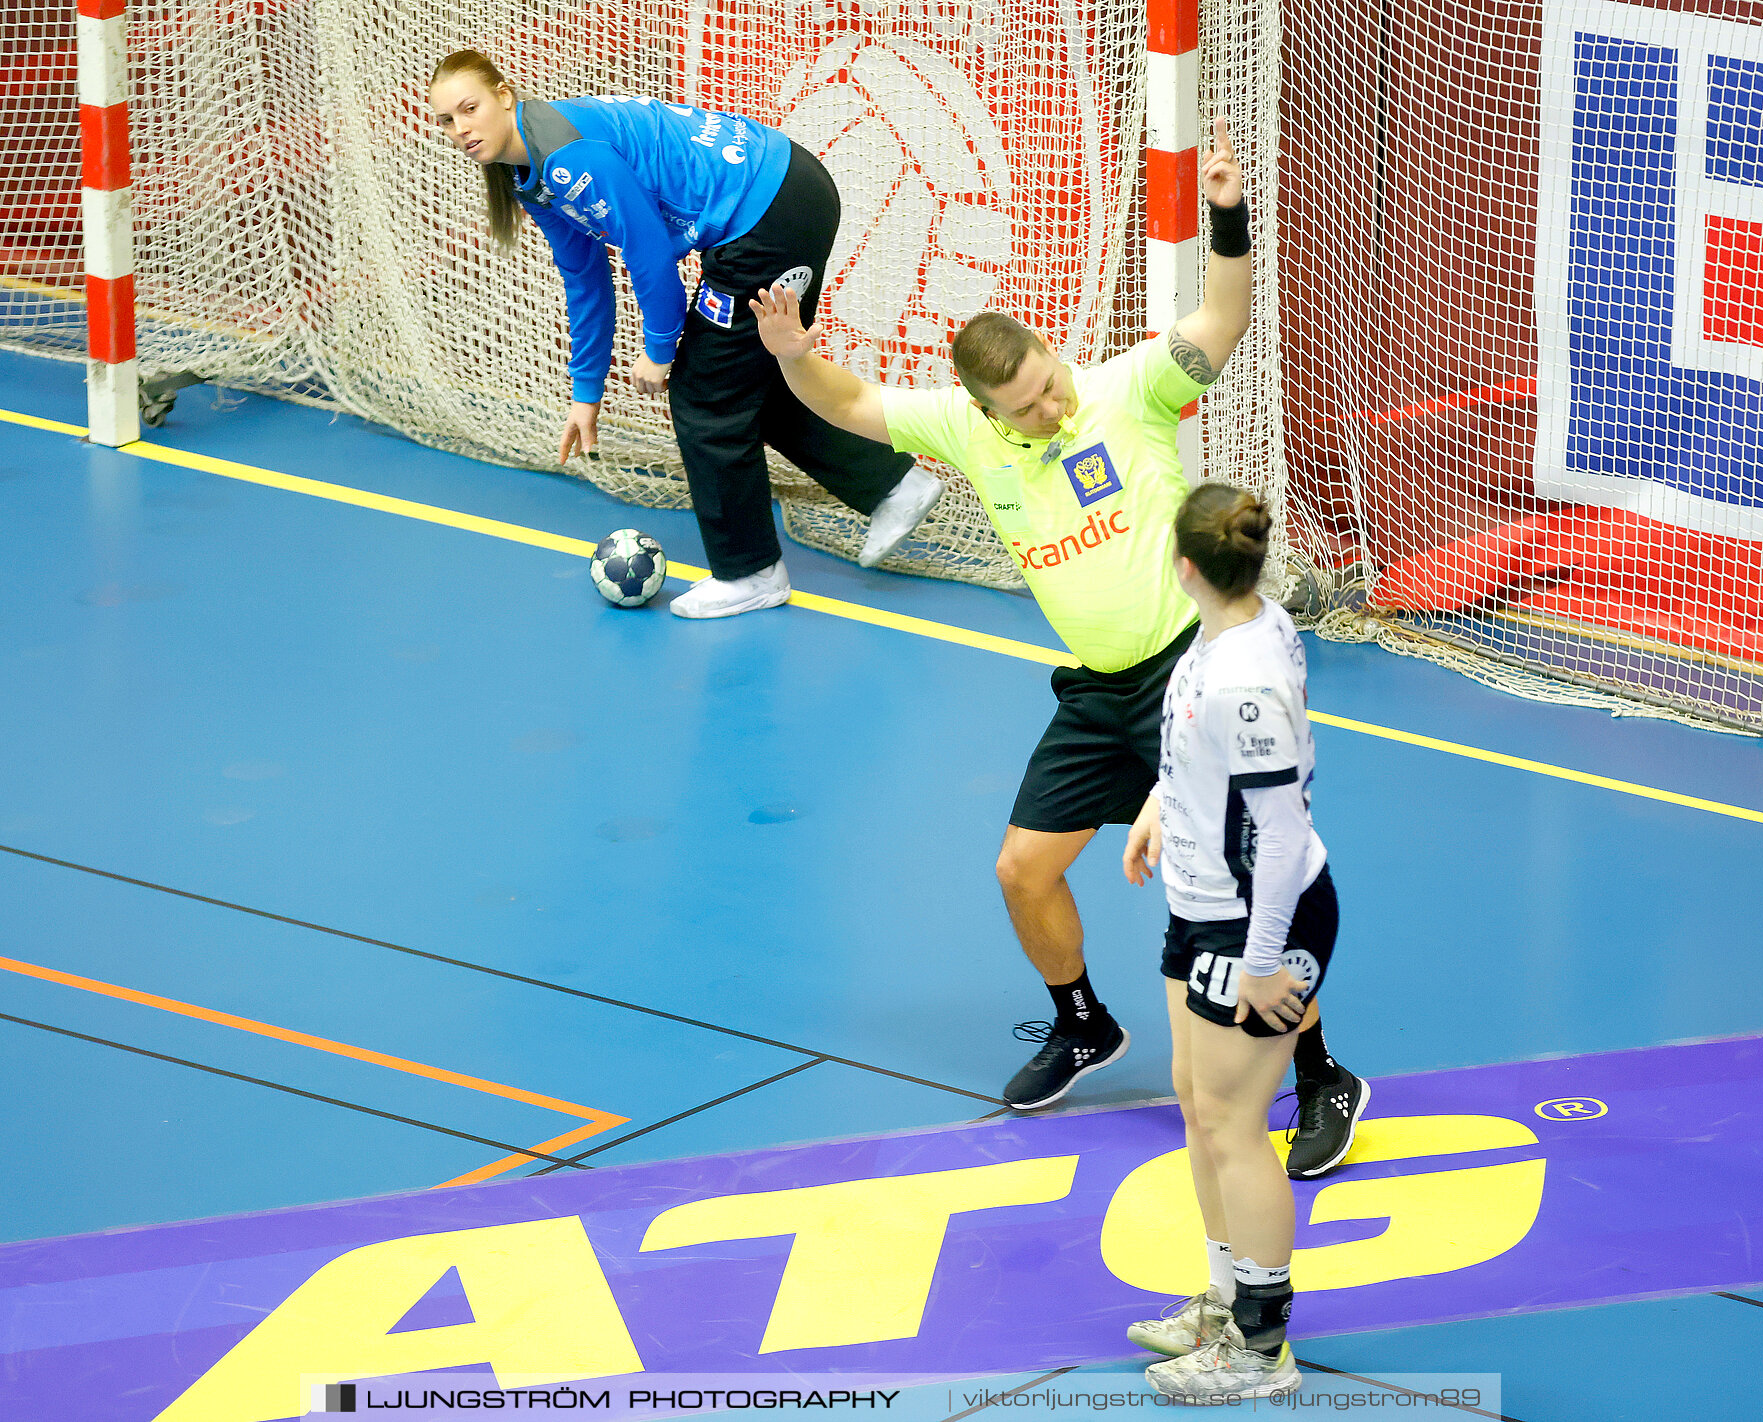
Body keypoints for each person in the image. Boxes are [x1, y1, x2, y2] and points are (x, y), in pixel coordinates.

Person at [752, 118, 1368, 1171]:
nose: (1052, 401)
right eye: (1029, 404)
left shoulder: (1130, 389)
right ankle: (1083, 1022)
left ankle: (1322, 1079)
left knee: (1229, 892)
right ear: (991, 412)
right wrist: (793, 355)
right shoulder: (961, 425)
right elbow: (846, 401)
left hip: (1192, 679)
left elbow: (1222, 315)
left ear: (1049, 348)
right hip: (1095, 695)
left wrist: (1227, 208)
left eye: (1050, 378)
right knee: (1021, 870)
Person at [427, 51, 944, 617]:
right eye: (447, 121)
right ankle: (895, 485)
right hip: (784, 194)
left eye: (469, 109)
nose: (461, 130)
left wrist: (659, 347)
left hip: (769, 212)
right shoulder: (530, 174)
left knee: (703, 393)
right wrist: (586, 392)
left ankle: (751, 572)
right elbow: (585, 277)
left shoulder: (570, 155)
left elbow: (648, 252)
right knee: (741, 379)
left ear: (504, 96)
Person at [1119, 482, 1338, 1402]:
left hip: (1256, 924)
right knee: (1197, 1103)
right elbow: (1199, 761)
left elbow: (1281, 836)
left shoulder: (1244, 679)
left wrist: (1259, 963)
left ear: (1183, 567)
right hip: (1202, 905)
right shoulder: (1243, 626)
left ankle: (1259, 1347)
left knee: (1236, 1127)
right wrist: (1158, 805)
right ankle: (1222, 1295)